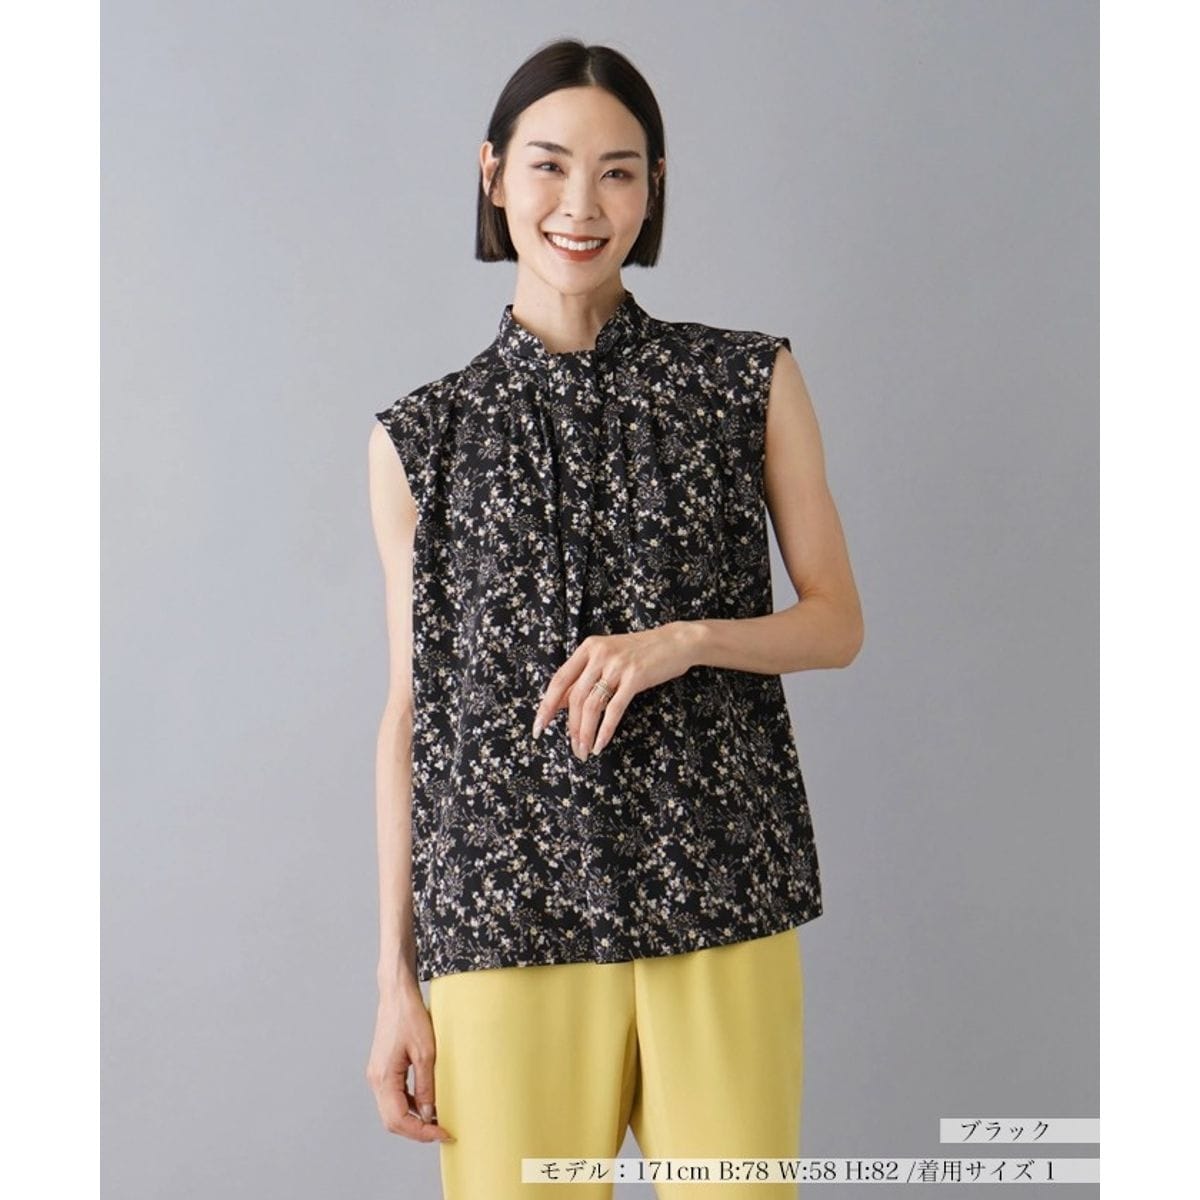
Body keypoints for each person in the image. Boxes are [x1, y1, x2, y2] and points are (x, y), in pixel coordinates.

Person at [365, 38, 863, 1200]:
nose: (581, 205)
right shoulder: (420, 439)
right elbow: (411, 714)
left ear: (655, 188)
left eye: (618, 172)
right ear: (493, 174)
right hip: (503, 911)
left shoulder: (745, 381)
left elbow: (835, 622)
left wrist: (686, 640)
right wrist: (396, 978)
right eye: (548, 165)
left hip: (719, 891)